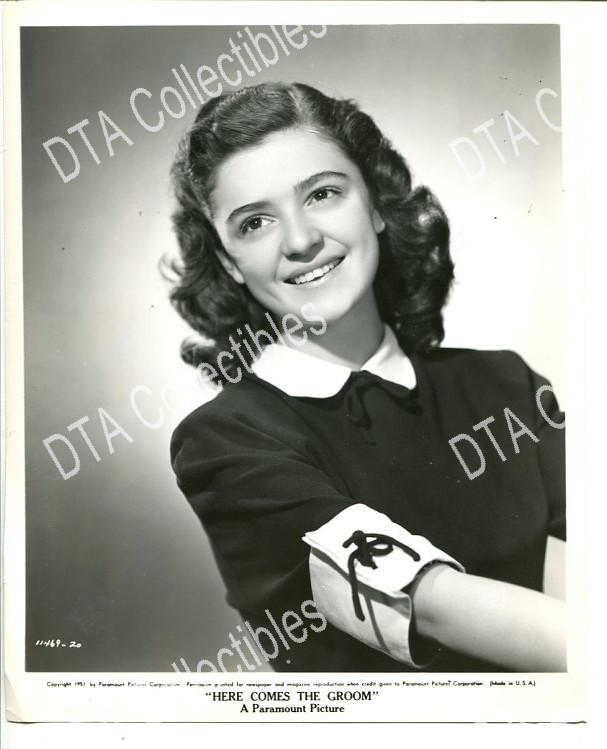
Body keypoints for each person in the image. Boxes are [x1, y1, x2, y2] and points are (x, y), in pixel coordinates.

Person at [167, 82, 566, 673]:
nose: (300, 240)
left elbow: (575, 573)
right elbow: (429, 606)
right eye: (255, 223)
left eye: (323, 193)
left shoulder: (505, 385)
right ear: (229, 261)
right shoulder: (225, 442)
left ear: (375, 204)